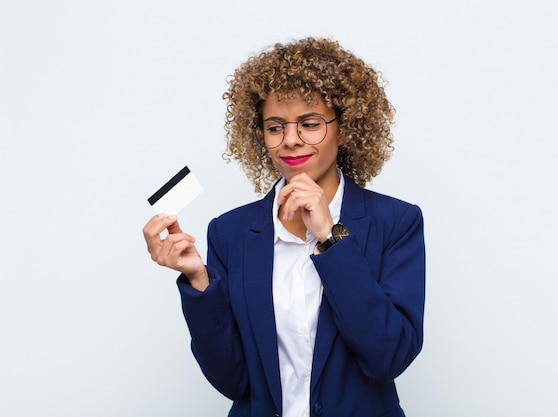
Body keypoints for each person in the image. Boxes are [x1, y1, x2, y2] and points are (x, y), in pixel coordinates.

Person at [143, 37, 426, 417]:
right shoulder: (229, 232)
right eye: (275, 127)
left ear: (345, 129)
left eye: (310, 124)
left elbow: (389, 355)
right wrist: (198, 280)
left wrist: (330, 238)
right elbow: (233, 381)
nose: (290, 140)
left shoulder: (396, 222)